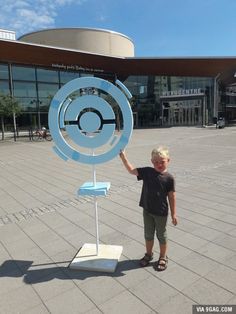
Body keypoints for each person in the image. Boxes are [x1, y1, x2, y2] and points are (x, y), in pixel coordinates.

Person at [119, 146, 177, 271]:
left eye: (162, 161)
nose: (159, 164)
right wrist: (124, 157)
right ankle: (149, 254)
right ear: (151, 162)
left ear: (168, 160)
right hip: (147, 211)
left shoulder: (169, 178)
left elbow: (172, 197)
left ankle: (163, 256)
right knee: (148, 234)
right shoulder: (147, 172)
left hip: (161, 213)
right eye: (156, 162)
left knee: (161, 235)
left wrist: (173, 214)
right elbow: (131, 170)